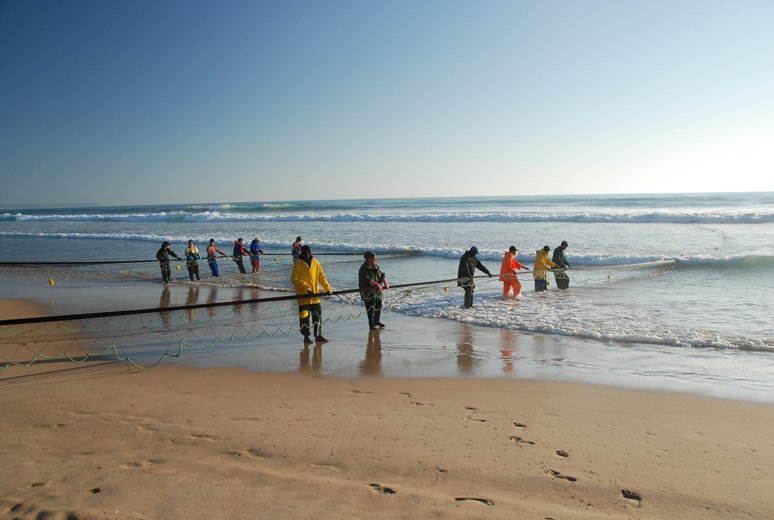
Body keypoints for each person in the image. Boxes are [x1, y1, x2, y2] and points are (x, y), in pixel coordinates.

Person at [290, 245, 333, 343]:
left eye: (307, 253)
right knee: (304, 317)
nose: (305, 255)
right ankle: (306, 337)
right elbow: (293, 279)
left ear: (310, 252)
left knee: (317, 316)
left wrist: (328, 288)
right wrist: (306, 287)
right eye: (303, 253)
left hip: (315, 297)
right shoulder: (297, 264)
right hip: (303, 297)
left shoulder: (316, 263)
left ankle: (318, 335)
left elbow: (322, 278)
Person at [358, 251, 389, 330]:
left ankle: (377, 321)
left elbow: (382, 275)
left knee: (378, 305)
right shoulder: (363, 268)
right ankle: (371, 325)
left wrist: (385, 283)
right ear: (369, 259)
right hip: (367, 291)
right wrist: (377, 285)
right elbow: (367, 280)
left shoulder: (376, 266)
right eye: (374, 259)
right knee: (370, 308)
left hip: (377, 291)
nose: (376, 260)